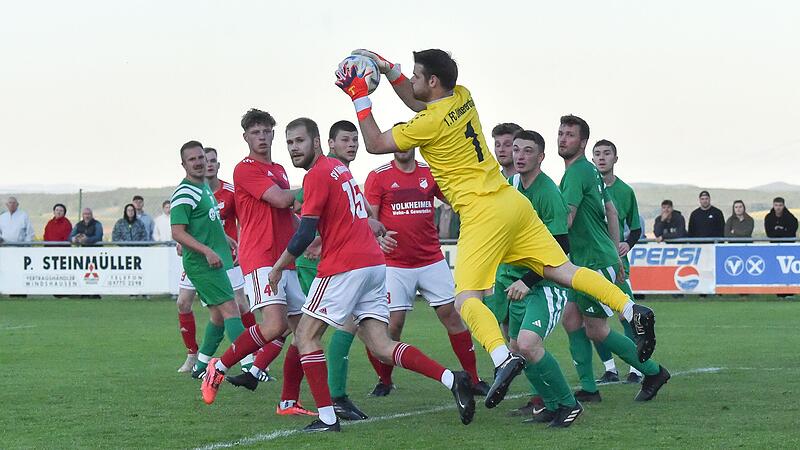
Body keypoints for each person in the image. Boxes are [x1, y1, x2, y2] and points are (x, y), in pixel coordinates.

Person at [335, 48, 657, 419]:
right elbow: (416, 99)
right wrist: (389, 70)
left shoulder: (426, 124)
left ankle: (502, 358)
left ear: (433, 81)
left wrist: (360, 97)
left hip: (481, 211)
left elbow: (376, 143)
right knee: (563, 270)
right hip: (511, 201)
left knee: (466, 300)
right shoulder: (463, 96)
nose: (414, 80)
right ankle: (631, 308)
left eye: (417, 74)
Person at [266, 117, 476, 432]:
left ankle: (327, 418)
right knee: (380, 344)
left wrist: (279, 266)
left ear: (318, 141)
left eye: (299, 141)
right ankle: (452, 378)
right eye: (289, 143)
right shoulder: (341, 172)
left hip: (345, 267)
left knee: (305, 336)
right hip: (374, 265)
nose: (294, 148)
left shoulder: (318, 174)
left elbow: (304, 231)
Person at [200, 110, 312, 416]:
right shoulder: (245, 169)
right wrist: (316, 186)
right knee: (275, 325)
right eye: (255, 133)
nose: (261, 137)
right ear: (246, 137)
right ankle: (217, 366)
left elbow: (287, 211)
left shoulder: (278, 168)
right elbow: (278, 199)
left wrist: (310, 234)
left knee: (305, 332)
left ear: (273, 134)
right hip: (262, 257)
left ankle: (288, 402)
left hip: (284, 258)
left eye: (266, 131)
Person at [557, 115, 669, 405]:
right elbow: (611, 210)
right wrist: (616, 253)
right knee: (571, 319)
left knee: (596, 328)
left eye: (569, 135)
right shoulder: (590, 172)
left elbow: (566, 220)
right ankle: (589, 388)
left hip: (592, 262)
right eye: (560, 133)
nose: (562, 139)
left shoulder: (576, 173)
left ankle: (653, 372)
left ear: (582, 142)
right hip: (583, 262)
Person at [363, 143, 488, 398]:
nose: (401, 149)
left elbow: (456, 200)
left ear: (415, 145)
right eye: (396, 145)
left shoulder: (429, 172)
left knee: (452, 316)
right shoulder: (378, 176)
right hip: (395, 263)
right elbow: (370, 219)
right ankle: (384, 380)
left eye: (406, 143)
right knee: (393, 325)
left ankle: (473, 379)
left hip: (431, 259)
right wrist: (378, 239)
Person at [496, 130, 581, 425]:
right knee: (517, 347)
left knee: (529, 344)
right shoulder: (510, 185)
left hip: (544, 286)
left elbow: (562, 248)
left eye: (527, 151)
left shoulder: (547, 193)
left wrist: (527, 281)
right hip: (515, 283)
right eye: (516, 149)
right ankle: (549, 404)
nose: (519, 155)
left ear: (541, 157)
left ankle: (569, 405)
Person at [170, 141, 246, 398]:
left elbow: (207, 222)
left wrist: (225, 240)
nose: (199, 162)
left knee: (217, 316)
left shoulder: (203, 188)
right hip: (203, 264)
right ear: (184, 164)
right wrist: (207, 251)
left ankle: (201, 365)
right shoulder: (184, 193)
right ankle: (250, 366)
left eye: (201, 157)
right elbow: (177, 232)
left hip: (216, 259)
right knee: (231, 310)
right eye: (192, 159)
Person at [591, 139, 645, 385]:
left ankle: (637, 368)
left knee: (626, 315)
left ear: (615, 158)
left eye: (606, 154)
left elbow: (634, 229)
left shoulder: (625, 191)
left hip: (616, 264)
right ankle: (610, 369)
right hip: (589, 263)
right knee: (590, 318)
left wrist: (627, 244)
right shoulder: (586, 186)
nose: (602, 158)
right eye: (597, 154)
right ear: (592, 159)